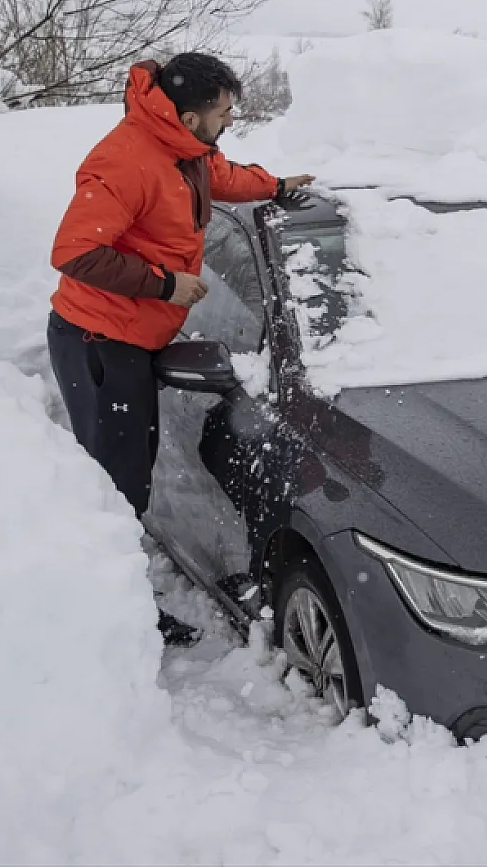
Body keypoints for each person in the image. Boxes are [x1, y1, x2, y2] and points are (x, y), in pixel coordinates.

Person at [46, 53, 311, 645]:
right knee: (113, 489)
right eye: (225, 113)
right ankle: (105, 626)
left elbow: (220, 177)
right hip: (98, 340)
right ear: (189, 118)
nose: (231, 121)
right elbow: (74, 253)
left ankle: (119, 605)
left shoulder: (181, 148)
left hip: (134, 339)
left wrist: (275, 185)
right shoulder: (126, 161)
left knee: (129, 479)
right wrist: (165, 283)